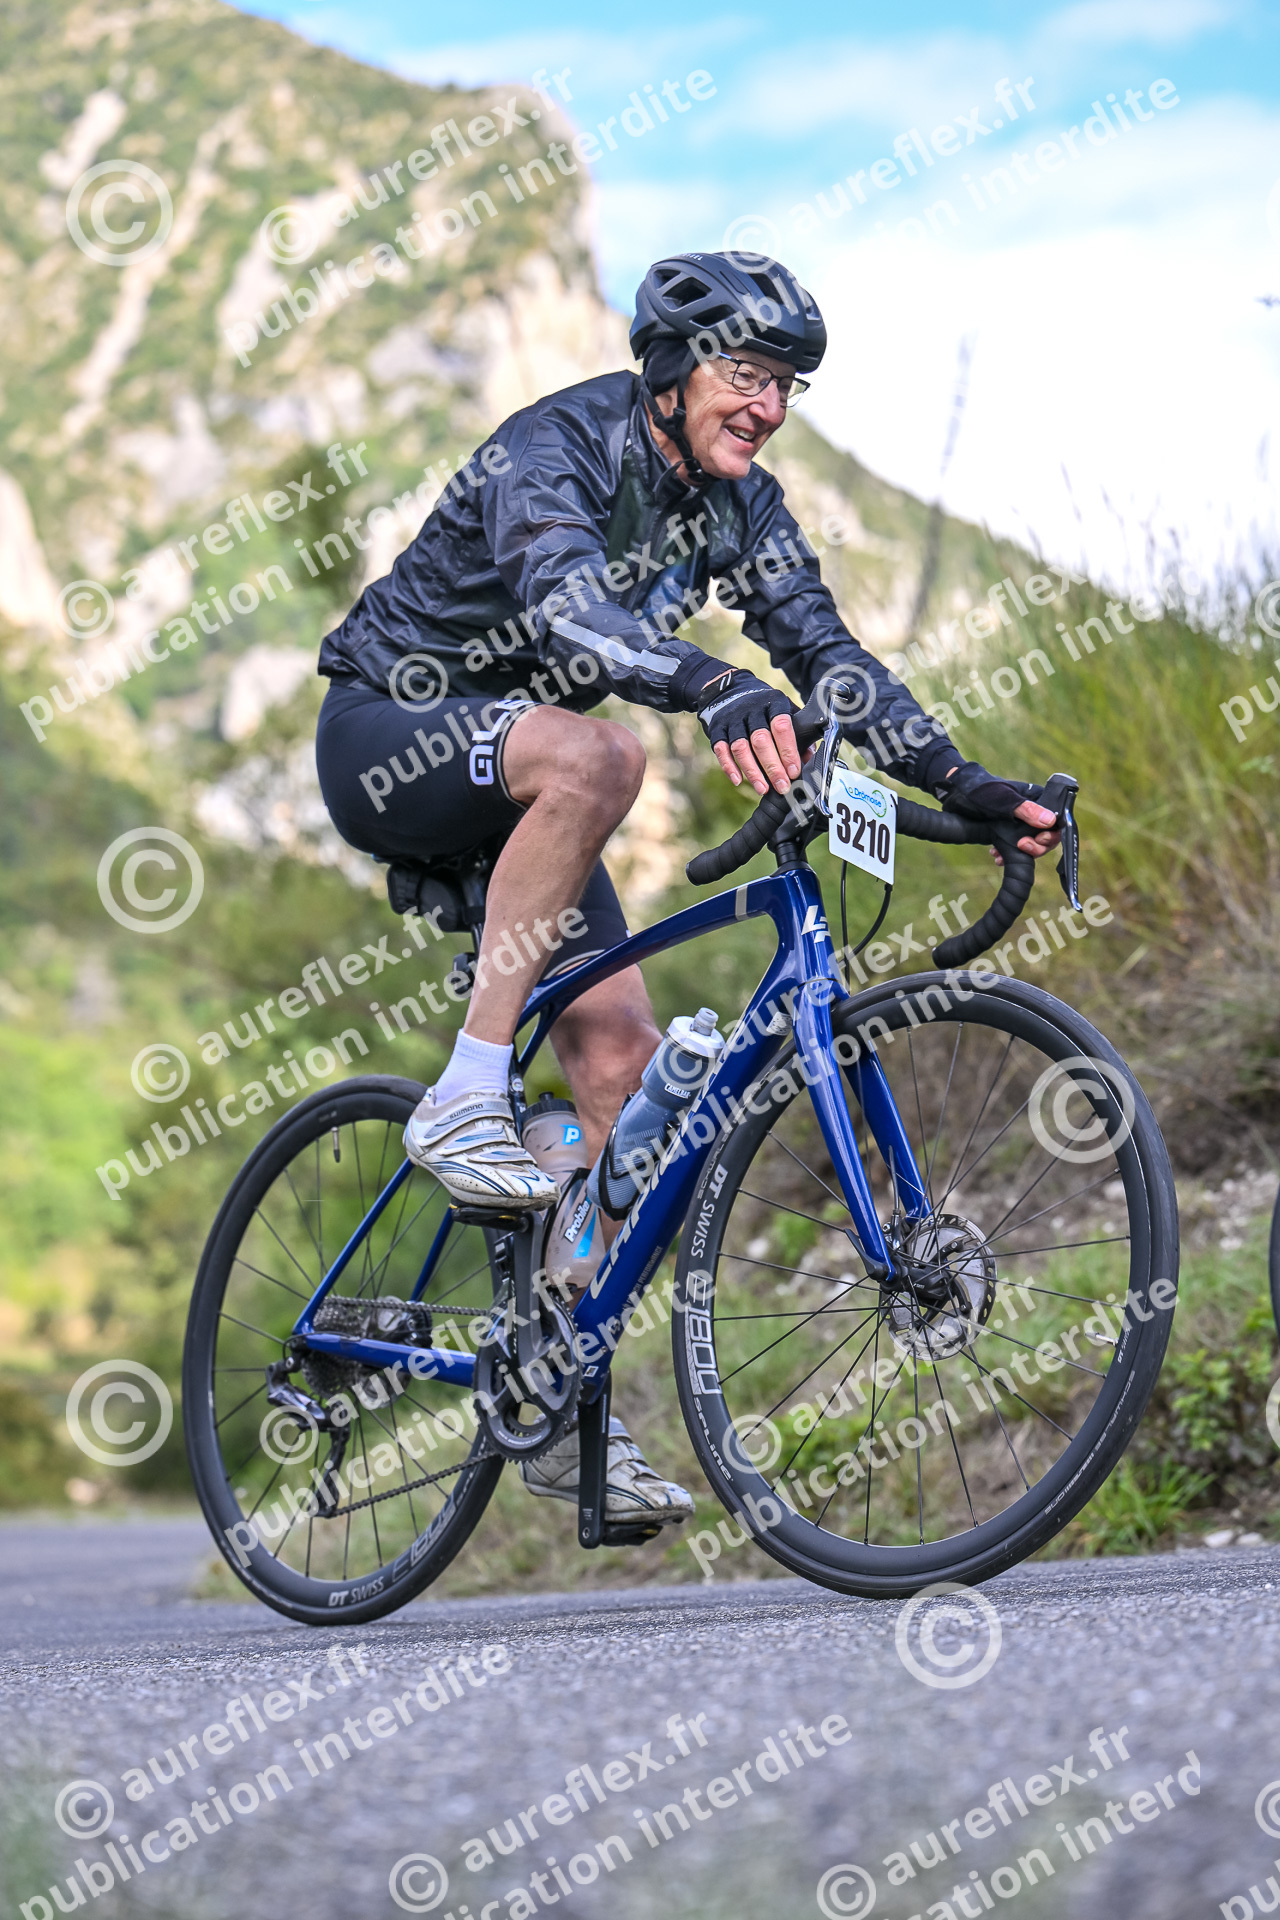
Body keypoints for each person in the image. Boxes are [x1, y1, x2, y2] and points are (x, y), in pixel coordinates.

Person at [314, 249, 1061, 1526]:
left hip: (524, 790)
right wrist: (710, 684)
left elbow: (824, 654)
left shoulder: (740, 509)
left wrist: (963, 780)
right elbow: (566, 613)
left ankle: (556, 1404)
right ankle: (464, 1094)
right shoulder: (555, 446)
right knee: (602, 754)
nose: (766, 405)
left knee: (624, 1076)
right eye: (744, 374)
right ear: (668, 369)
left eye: (785, 385)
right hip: (396, 732)